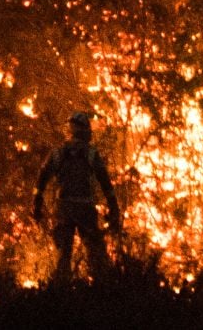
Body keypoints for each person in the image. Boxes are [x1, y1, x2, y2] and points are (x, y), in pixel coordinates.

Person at [33, 110, 121, 284]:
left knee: (63, 255)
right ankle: (101, 291)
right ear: (84, 130)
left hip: (63, 210)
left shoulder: (57, 153)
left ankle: (60, 293)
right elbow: (105, 183)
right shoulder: (91, 153)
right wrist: (114, 206)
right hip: (85, 210)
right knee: (96, 255)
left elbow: (41, 179)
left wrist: (36, 203)